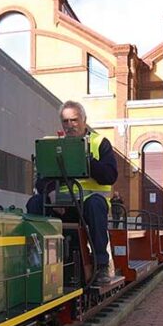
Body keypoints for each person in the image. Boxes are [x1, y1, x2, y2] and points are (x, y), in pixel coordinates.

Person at [26, 100, 118, 285]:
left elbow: (110, 176)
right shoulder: (54, 145)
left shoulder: (100, 143)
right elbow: (41, 178)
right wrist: (51, 192)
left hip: (87, 204)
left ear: (84, 120)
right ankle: (34, 261)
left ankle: (101, 266)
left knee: (96, 204)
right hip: (61, 204)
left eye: (74, 120)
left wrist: (86, 160)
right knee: (34, 203)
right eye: (65, 121)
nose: (70, 125)